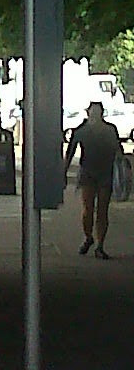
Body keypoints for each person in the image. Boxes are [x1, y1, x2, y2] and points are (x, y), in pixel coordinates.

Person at [63, 100, 123, 258]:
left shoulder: (108, 130)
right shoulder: (83, 131)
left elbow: (118, 151)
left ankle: (99, 245)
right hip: (90, 173)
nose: (95, 116)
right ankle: (89, 238)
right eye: (93, 112)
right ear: (88, 113)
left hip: (103, 173)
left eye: (97, 113)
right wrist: (63, 172)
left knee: (101, 210)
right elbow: (69, 153)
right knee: (89, 209)